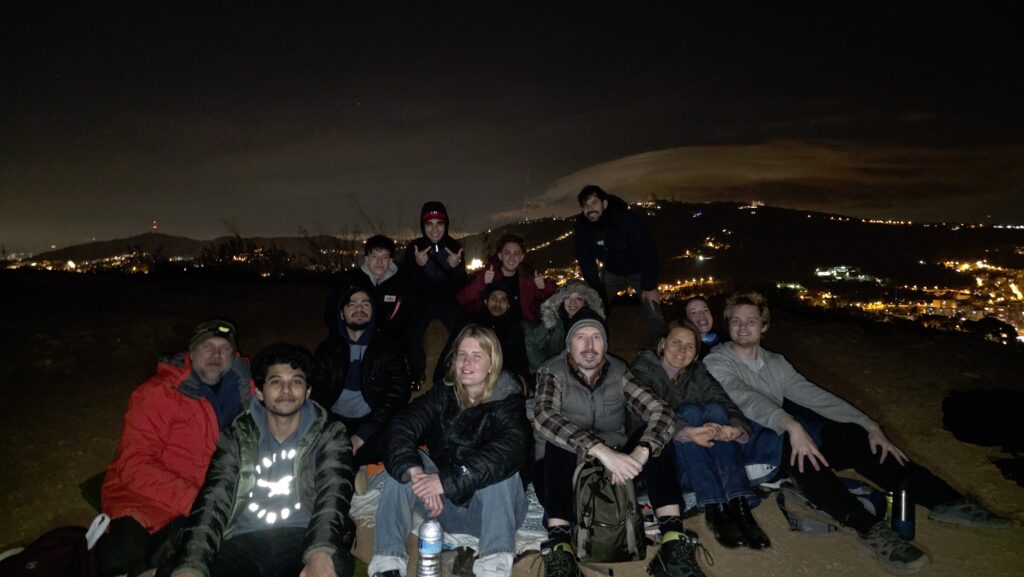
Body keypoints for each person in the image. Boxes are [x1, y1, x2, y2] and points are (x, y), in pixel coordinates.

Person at [704, 291, 1013, 575]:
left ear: (764, 326)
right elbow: (743, 396)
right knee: (801, 450)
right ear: (727, 325)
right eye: (735, 321)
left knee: (853, 439)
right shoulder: (717, 360)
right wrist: (790, 424)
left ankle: (946, 501)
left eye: (751, 321)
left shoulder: (775, 362)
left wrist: (868, 424)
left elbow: (813, 395)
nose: (743, 328)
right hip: (749, 447)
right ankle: (869, 529)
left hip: (782, 433)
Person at [159, 343, 355, 577]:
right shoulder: (238, 436)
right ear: (260, 392)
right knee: (176, 570)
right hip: (243, 540)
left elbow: (333, 496)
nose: (286, 390)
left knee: (335, 565)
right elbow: (214, 499)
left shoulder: (329, 433)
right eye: (275, 382)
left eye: (296, 381)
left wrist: (320, 552)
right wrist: (192, 565)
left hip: (302, 536)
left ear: (308, 391)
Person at [533, 318, 708, 577]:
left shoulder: (618, 371)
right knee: (558, 442)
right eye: (581, 337)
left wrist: (641, 452)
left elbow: (661, 411)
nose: (590, 345)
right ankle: (559, 548)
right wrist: (602, 452)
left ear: (605, 344)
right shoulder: (552, 370)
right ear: (569, 344)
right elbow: (545, 416)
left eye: (597, 337)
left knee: (657, 438)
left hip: (618, 474)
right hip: (562, 475)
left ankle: (672, 541)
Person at [368, 325, 531, 577]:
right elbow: (401, 426)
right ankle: (387, 565)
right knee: (401, 463)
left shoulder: (508, 401)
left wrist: (444, 481)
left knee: (502, 470)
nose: (466, 362)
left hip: (490, 513)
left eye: (477, 355)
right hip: (441, 510)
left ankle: (493, 567)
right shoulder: (443, 394)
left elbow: (513, 448)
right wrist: (417, 474)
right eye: (461, 354)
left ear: (492, 364)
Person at [98, 320, 253, 577]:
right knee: (122, 564)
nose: (216, 354)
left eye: (224, 348)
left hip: (205, 499)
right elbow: (134, 464)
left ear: (233, 355)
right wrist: (197, 501)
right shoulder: (159, 392)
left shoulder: (244, 390)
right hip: (143, 498)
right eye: (207, 346)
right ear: (191, 353)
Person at [628, 320, 769, 550]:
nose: (682, 351)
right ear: (663, 344)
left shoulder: (698, 372)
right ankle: (714, 507)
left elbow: (723, 399)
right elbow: (646, 414)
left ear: (695, 355)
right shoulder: (642, 370)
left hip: (703, 458)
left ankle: (738, 503)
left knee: (716, 410)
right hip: (665, 462)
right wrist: (686, 431)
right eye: (676, 343)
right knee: (689, 411)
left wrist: (734, 427)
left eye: (690, 346)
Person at [312, 285, 410, 467]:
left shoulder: (388, 349)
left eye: (366, 304)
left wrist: (363, 433)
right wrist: (334, 430)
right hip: (334, 421)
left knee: (394, 442)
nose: (359, 308)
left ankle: (355, 471)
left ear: (373, 312)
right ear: (342, 313)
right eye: (352, 304)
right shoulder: (327, 350)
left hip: (373, 422)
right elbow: (316, 395)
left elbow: (396, 395)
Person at [572, 185, 664, 342]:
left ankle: (662, 344)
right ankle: (591, 341)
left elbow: (648, 250)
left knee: (652, 305)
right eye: (586, 204)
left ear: (605, 204)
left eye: (595, 202)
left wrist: (649, 286)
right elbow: (585, 259)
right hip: (611, 271)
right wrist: (595, 289)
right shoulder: (582, 227)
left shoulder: (626, 219)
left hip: (637, 270)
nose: (590, 208)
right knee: (595, 304)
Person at [403, 201, 467, 390]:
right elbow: (407, 282)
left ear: (446, 224)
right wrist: (417, 267)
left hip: (448, 300)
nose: (435, 229)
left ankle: (448, 373)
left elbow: (462, 283)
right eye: (429, 224)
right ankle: (417, 372)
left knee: (462, 331)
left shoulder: (455, 246)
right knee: (412, 331)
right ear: (422, 226)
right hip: (422, 300)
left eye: (439, 223)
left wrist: (456, 268)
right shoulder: (414, 247)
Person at [434, 282, 530, 386]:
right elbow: (451, 350)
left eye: (503, 300)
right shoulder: (469, 322)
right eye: (493, 298)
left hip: (496, 384)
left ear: (508, 306)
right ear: (485, 301)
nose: (498, 303)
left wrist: (522, 383)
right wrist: (439, 381)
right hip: (466, 377)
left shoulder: (514, 330)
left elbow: (520, 361)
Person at [457, 232, 555, 324]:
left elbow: (552, 297)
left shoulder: (528, 281)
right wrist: (482, 282)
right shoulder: (486, 275)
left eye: (516, 254)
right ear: (500, 256)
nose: (512, 258)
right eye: (507, 253)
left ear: (521, 257)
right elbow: (462, 299)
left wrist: (543, 287)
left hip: (519, 330)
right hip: (488, 329)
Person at [525, 279, 604, 374]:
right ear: (561, 301)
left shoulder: (593, 325)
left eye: (578, 299)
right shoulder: (554, 323)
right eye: (568, 297)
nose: (572, 303)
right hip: (556, 371)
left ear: (586, 302)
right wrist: (544, 367)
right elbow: (531, 342)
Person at [342, 234, 408, 342]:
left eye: (385, 257)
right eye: (374, 256)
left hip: (390, 341)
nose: (379, 262)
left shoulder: (401, 283)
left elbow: (407, 318)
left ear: (390, 261)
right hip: (355, 338)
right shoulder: (350, 281)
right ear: (367, 259)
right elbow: (333, 314)